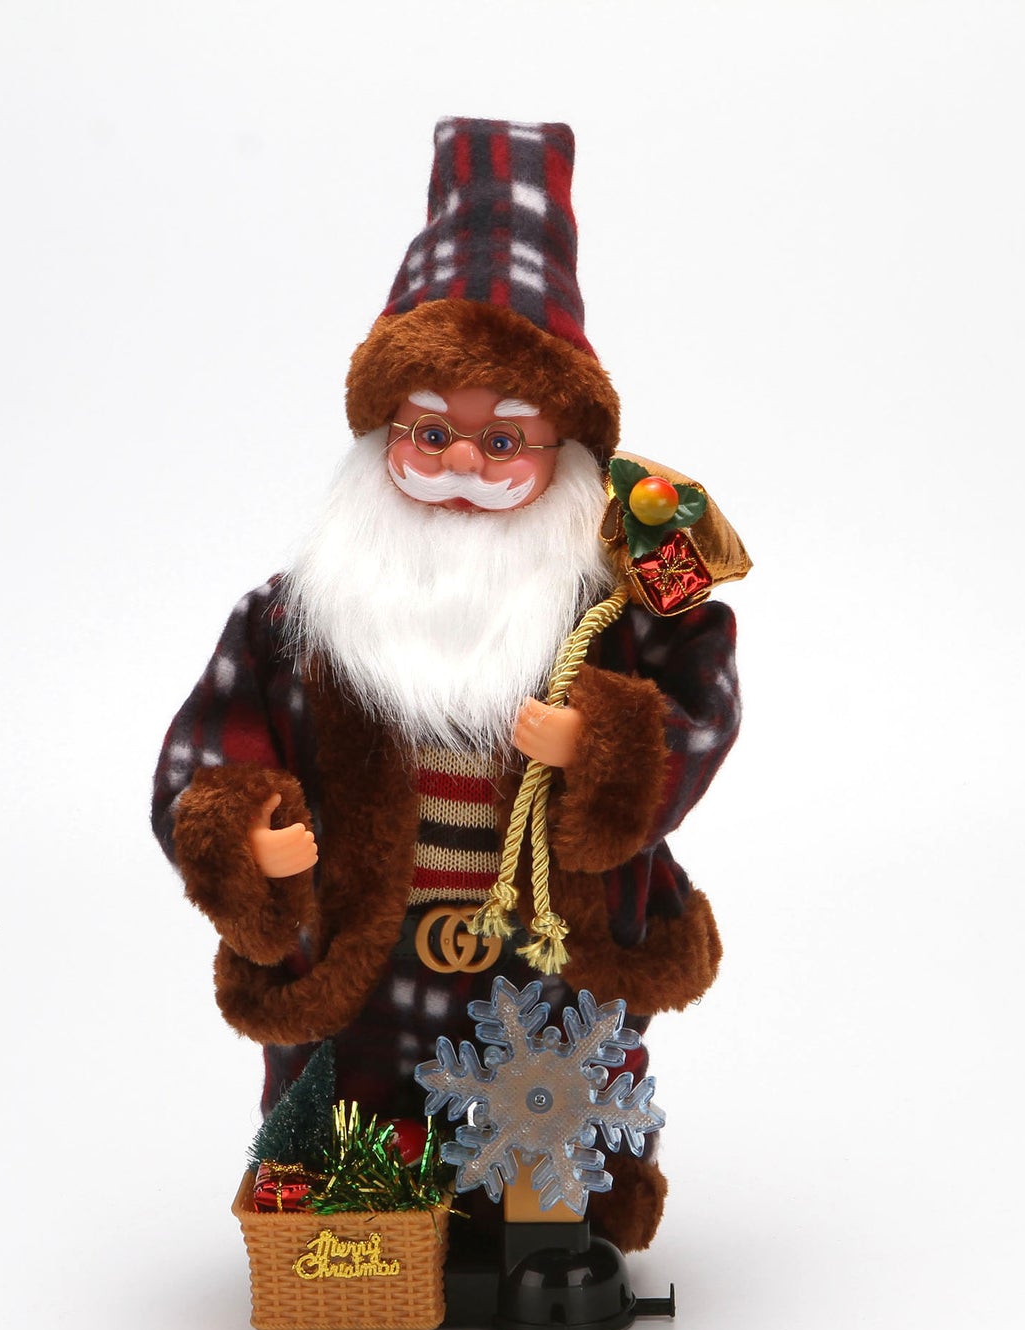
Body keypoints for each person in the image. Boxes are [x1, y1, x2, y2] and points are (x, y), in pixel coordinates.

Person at [152, 118, 741, 1252]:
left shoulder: (608, 609)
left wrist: (603, 744)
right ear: (383, 437)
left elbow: (701, 698)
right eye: (430, 432)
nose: (463, 462)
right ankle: (364, 1247)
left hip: (548, 952)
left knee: (552, 1113)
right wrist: (244, 828)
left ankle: (548, 1240)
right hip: (363, 962)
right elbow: (202, 756)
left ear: (564, 456)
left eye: (503, 440)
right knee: (359, 1117)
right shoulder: (293, 620)